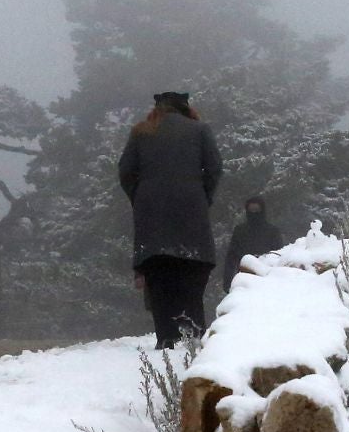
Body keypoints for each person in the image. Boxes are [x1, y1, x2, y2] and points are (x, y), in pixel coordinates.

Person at [117, 91, 223, 349]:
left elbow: (126, 171)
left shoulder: (141, 132)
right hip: (191, 212)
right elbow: (214, 168)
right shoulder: (200, 130)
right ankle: (193, 334)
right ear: (186, 108)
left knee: (159, 276)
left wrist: (140, 199)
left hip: (151, 216)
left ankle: (166, 337)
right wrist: (202, 197)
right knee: (192, 273)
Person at [222, 195, 284, 292]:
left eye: (257, 209)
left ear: (262, 210)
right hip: (244, 278)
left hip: (267, 277)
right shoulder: (240, 231)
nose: (254, 212)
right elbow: (231, 257)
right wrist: (227, 281)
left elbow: (279, 256)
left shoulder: (272, 231)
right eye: (251, 209)